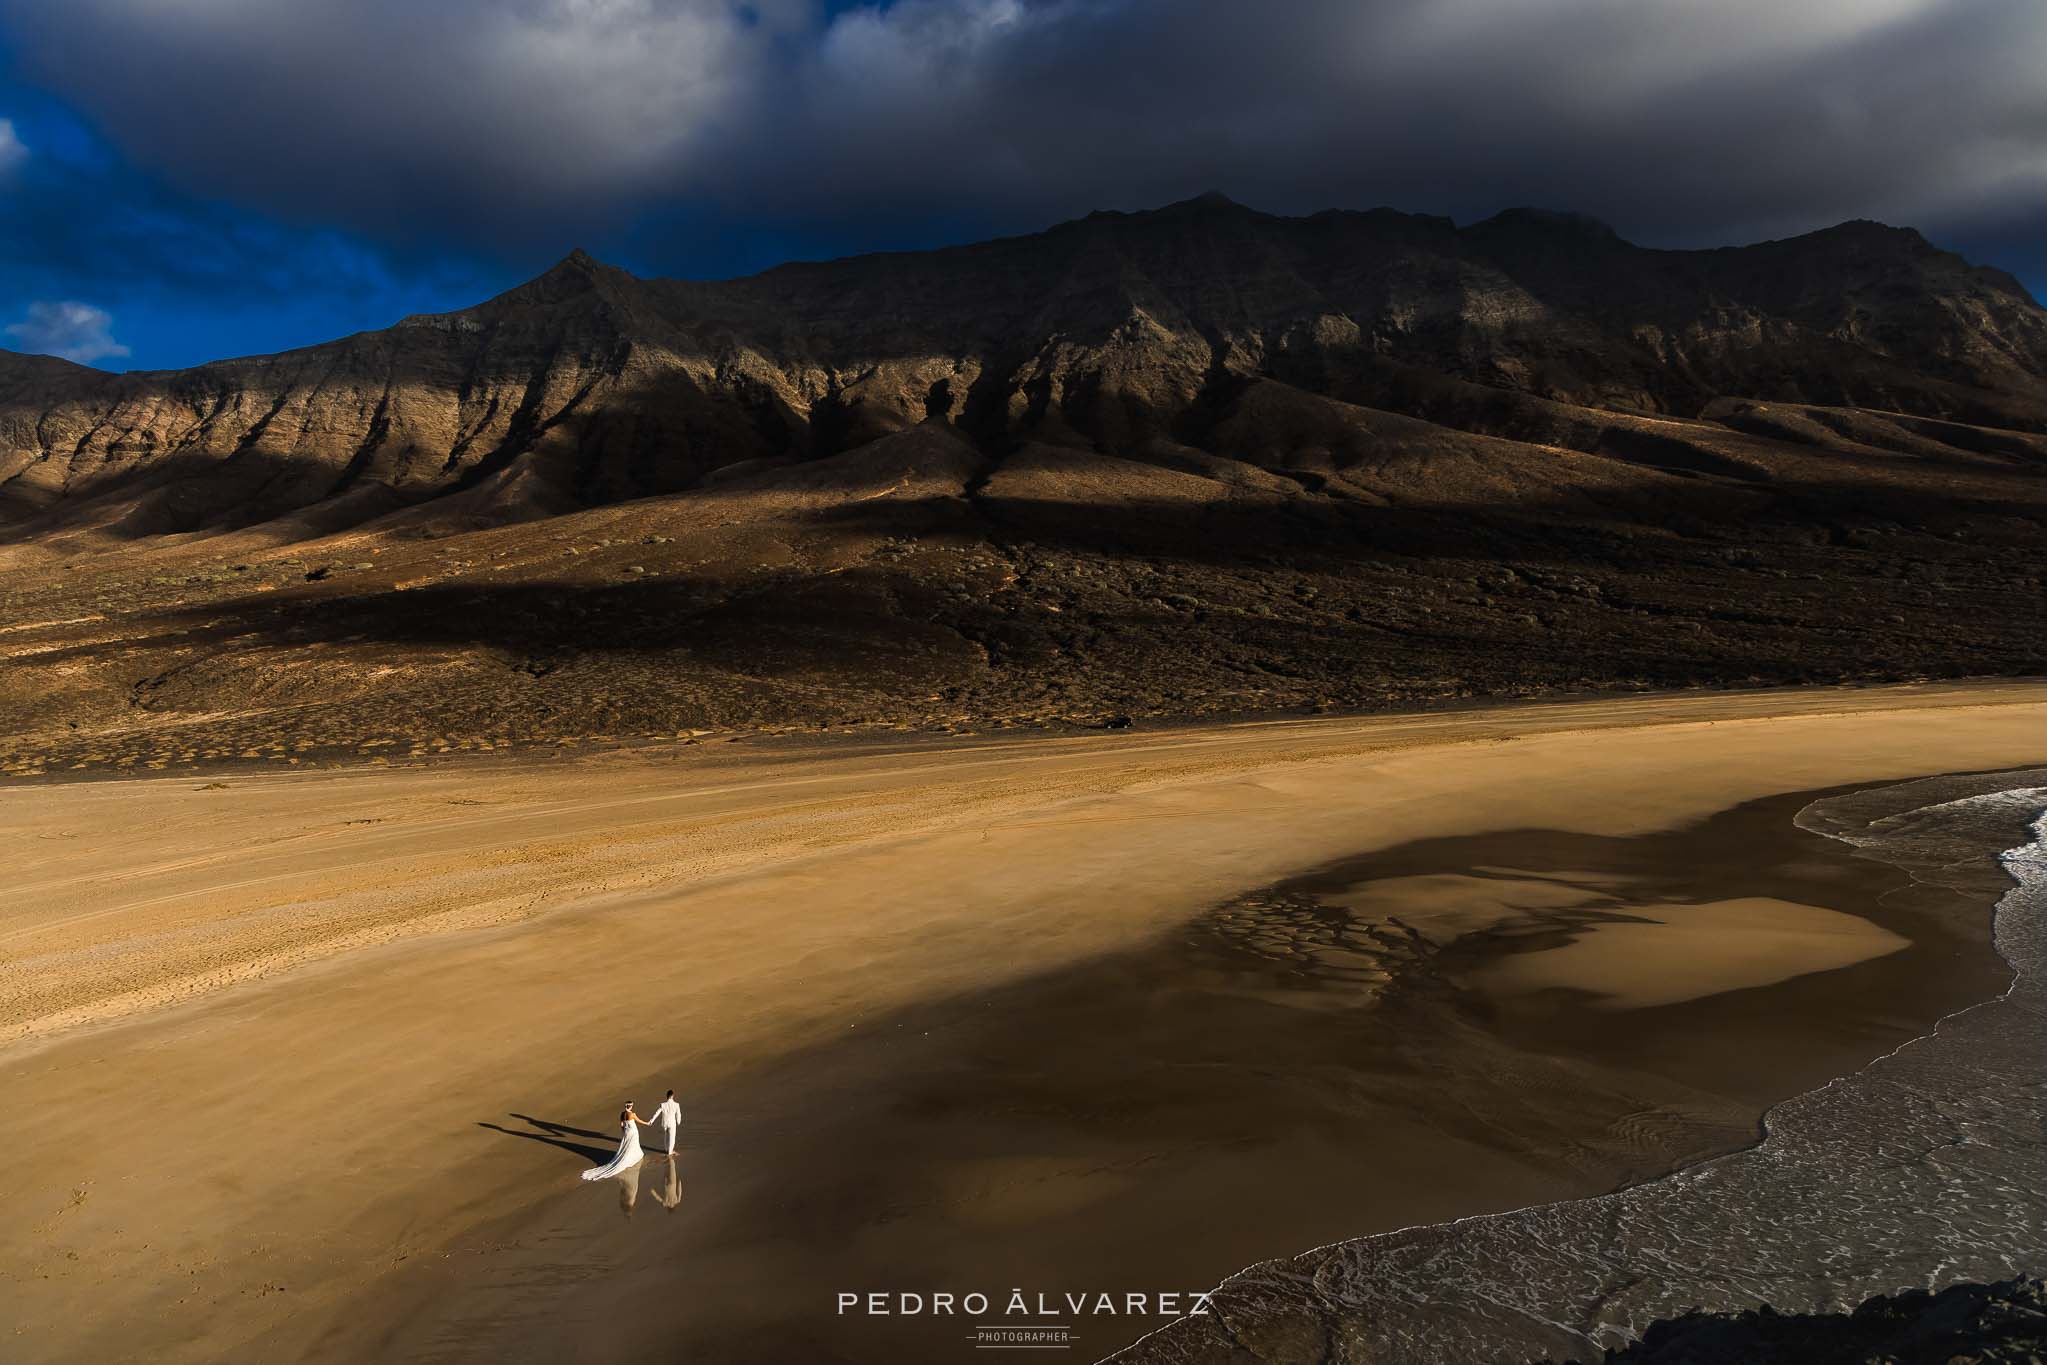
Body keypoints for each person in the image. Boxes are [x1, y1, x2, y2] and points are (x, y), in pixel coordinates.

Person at [580, 1102, 652, 1181]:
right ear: (630, 1106)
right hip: (633, 1132)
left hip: (627, 1132)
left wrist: (624, 1131)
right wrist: (647, 1123)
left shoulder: (622, 1114)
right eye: (632, 1105)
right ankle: (632, 1157)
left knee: (627, 1145)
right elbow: (639, 1120)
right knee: (632, 1145)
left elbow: (621, 1125)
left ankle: (631, 1155)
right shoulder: (632, 1114)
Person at [652, 1089, 682, 1157]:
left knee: (666, 1136)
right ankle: (670, 1152)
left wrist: (651, 1121)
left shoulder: (663, 1104)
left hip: (664, 1123)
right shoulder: (676, 1104)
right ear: (672, 1096)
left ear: (667, 1096)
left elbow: (657, 1113)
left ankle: (666, 1149)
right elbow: (678, 1114)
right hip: (672, 1123)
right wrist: (678, 1121)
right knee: (672, 1138)